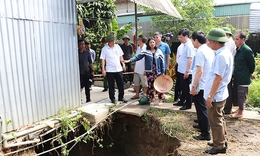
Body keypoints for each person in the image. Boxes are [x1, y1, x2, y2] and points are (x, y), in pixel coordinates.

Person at [204, 28, 233, 154]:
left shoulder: (221, 56)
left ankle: (219, 146)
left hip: (216, 94)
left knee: (215, 121)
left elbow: (218, 78)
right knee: (219, 119)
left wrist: (210, 96)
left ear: (216, 42)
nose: (208, 43)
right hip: (219, 93)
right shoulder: (223, 53)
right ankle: (220, 140)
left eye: (209, 41)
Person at [190, 31, 214, 141]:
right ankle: (201, 125)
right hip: (206, 83)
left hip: (201, 84)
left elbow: (200, 71)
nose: (192, 42)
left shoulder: (200, 52)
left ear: (196, 40)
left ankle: (205, 133)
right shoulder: (209, 50)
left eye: (192, 40)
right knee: (201, 108)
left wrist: (194, 86)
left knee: (201, 109)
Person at [125, 38, 165, 105]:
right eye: (150, 42)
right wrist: (129, 60)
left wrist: (163, 72)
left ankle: (160, 99)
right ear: (148, 44)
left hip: (158, 72)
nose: (152, 44)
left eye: (153, 42)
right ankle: (152, 99)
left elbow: (162, 63)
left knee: (159, 86)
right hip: (149, 72)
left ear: (155, 43)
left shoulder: (159, 51)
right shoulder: (146, 51)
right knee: (151, 86)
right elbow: (138, 57)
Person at [229, 30, 255, 118]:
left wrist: (250, 73)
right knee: (236, 94)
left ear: (242, 39)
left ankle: (241, 112)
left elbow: (252, 64)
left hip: (243, 77)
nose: (235, 41)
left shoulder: (246, 50)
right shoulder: (238, 49)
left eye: (237, 39)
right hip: (237, 76)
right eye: (234, 39)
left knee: (241, 95)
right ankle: (239, 109)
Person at [100, 34, 127, 103]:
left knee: (121, 84)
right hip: (110, 70)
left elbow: (121, 56)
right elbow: (103, 60)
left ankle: (121, 97)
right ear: (108, 41)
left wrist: (123, 64)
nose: (113, 42)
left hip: (118, 69)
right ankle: (112, 98)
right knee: (111, 85)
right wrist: (103, 69)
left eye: (114, 40)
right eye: (112, 41)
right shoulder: (104, 49)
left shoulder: (117, 47)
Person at [177, 28, 195, 110]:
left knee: (186, 88)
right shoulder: (184, 45)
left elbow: (190, 59)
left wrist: (187, 71)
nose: (180, 39)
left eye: (181, 37)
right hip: (181, 70)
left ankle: (188, 104)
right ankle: (182, 101)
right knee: (183, 87)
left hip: (186, 71)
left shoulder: (189, 46)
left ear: (186, 36)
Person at [222, 27, 236, 114]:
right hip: (227, 69)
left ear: (227, 34)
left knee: (228, 88)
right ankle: (227, 107)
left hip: (228, 69)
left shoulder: (229, 43)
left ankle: (228, 108)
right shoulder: (228, 42)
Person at [131, 35, 148, 99]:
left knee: (144, 83)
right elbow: (136, 58)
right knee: (136, 82)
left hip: (143, 69)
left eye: (138, 40)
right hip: (137, 68)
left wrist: (146, 69)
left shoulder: (146, 48)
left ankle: (145, 94)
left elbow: (147, 60)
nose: (137, 41)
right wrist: (134, 67)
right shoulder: (138, 48)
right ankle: (137, 94)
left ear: (141, 41)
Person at [78, 39, 94, 103]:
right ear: (78, 45)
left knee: (87, 86)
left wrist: (92, 70)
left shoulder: (87, 52)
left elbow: (90, 62)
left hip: (86, 71)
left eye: (83, 44)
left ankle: (88, 98)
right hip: (79, 73)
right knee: (80, 87)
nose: (83, 45)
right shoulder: (76, 53)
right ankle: (79, 99)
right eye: (81, 44)